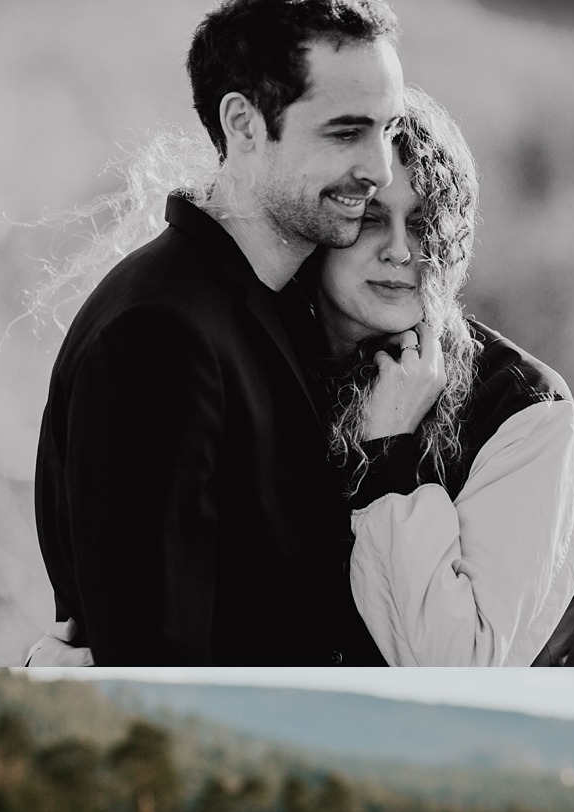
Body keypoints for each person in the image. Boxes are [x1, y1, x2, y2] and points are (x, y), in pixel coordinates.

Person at [33, 0, 406, 665]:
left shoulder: (289, 309)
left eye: (389, 127)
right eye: (347, 132)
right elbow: (159, 673)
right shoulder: (158, 337)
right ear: (244, 124)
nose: (379, 167)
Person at [312, 89, 574, 664]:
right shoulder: (263, 361)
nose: (400, 251)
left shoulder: (527, 414)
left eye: (423, 224)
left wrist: (389, 456)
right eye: (370, 218)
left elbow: (457, 668)